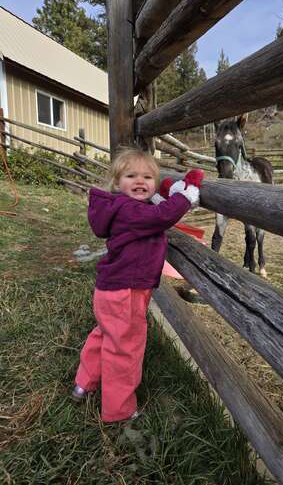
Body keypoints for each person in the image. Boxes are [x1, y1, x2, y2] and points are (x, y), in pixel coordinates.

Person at [72, 146, 203, 423]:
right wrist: (186, 195)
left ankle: (84, 383)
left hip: (112, 288)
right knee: (126, 348)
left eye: (148, 177)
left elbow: (154, 208)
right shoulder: (130, 210)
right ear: (117, 183)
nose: (140, 181)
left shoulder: (122, 207)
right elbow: (161, 216)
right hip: (126, 292)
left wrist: (165, 193)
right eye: (131, 175)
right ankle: (119, 411)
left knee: (105, 334)